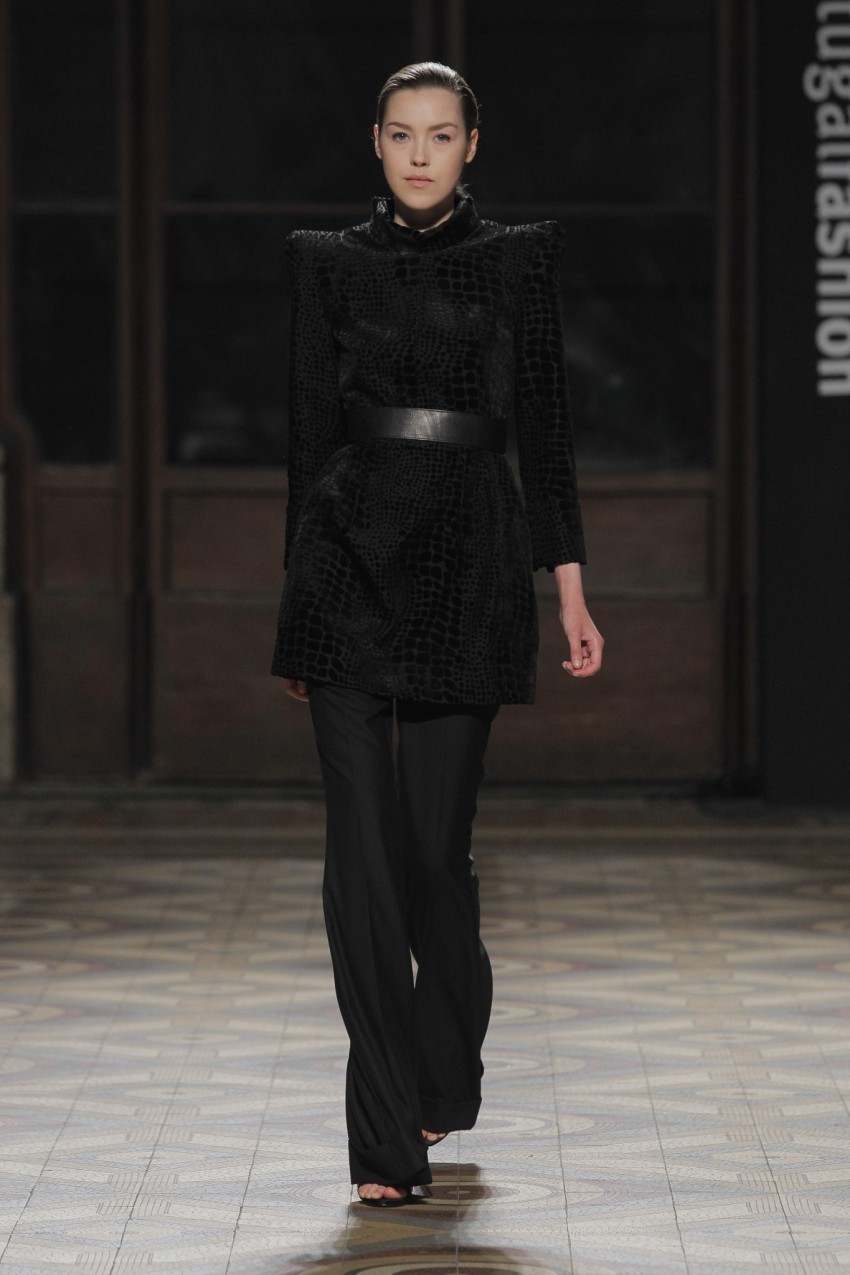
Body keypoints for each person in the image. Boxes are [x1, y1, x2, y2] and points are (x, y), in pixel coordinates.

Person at [271, 61, 603, 1207]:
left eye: (441, 134)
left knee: (430, 861)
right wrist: (296, 605)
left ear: (471, 147)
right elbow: (308, 435)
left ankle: (444, 1067)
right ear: (375, 142)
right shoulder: (325, 262)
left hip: (468, 556)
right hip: (345, 565)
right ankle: (383, 1143)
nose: (420, 153)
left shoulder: (515, 260)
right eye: (402, 133)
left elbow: (545, 429)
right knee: (359, 866)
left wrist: (567, 584)